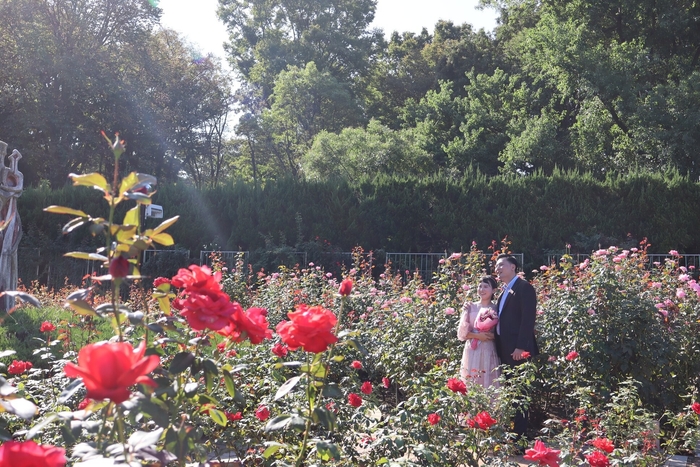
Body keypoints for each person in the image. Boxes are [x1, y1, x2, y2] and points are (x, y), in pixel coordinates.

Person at [494, 253, 539, 441]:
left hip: (518, 352)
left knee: (519, 395)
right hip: (504, 350)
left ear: (513, 267)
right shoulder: (505, 290)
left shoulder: (524, 287)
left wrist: (521, 347)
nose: (497, 268)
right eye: (496, 266)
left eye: (501, 265)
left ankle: (520, 440)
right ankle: (511, 435)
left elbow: (528, 319)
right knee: (510, 394)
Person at [457, 276, 501, 389]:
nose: (482, 289)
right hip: (472, 349)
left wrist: (490, 336)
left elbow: (500, 333)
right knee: (471, 378)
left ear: (494, 290)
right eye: (480, 286)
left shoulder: (497, 308)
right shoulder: (470, 307)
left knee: (488, 377)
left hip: (488, 348)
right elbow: (462, 333)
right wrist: (477, 336)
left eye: (486, 286)